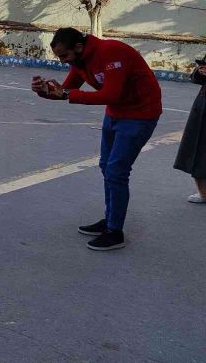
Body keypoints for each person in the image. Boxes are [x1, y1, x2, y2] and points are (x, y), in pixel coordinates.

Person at [31, 27, 162, 251]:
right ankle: (110, 219)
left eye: (64, 56)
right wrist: (44, 90)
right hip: (116, 113)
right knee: (106, 166)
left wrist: (65, 94)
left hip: (140, 115)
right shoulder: (79, 61)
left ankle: (115, 232)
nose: (63, 61)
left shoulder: (111, 52)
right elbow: (66, 91)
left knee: (117, 171)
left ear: (79, 47)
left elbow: (111, 94)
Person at [175, 53, 206, 202]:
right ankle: (204, 192)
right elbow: (196, 78)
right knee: (199, 149)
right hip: (203, 106)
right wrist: (200, 72)